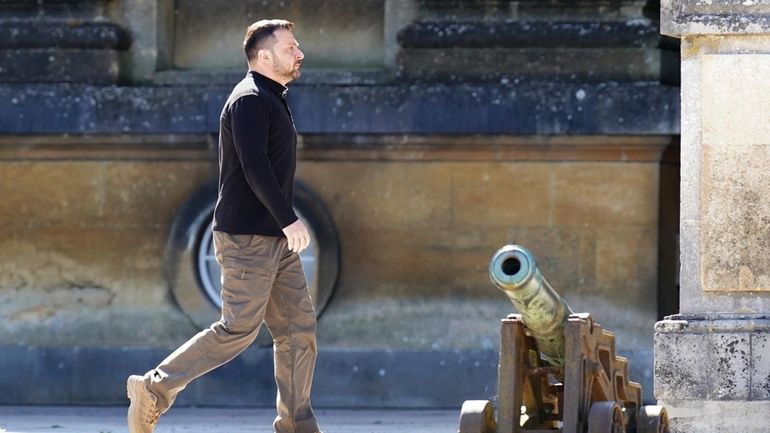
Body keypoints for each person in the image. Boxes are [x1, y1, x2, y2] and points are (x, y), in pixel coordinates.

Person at [126, 19, 321, 433]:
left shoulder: (272, 97)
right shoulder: (250, 99)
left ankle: (297, 426)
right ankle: (154, 389)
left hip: (274, 240)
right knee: (237, 329)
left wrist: (282, 226)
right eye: (291, 48)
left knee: (298, 329)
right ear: (264, 57)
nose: (300, 53)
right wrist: (288, 219)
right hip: (248, 239)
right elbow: (254, 167)